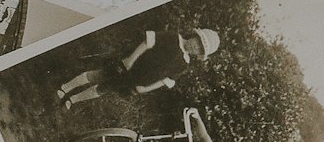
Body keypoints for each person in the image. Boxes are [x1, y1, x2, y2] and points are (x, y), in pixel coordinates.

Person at [56, 25, 221, 108]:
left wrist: (145, 88)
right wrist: (130, 59)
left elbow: (166, 80)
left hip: (137, 79)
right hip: (130, 65)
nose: (195, 47)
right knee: (99, 75)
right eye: (197, 42)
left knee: (104, 88)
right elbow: (147, 42)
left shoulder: (183, 64)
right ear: (193, 36)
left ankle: (73, 99)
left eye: (199, 48)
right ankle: (66, 87)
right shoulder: (173, 38)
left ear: (199, 53)